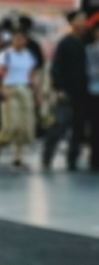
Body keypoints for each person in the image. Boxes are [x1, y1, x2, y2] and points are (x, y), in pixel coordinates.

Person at [42, 10, 88, 171]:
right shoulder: (64, 43)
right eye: (79, 20)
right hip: (67, 91)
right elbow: (56, 68)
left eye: (83, 20)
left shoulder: (85, 42)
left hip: (83, 91)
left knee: (78, 127)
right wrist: (59, 88)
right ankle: (47, 157)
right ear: (72, 22)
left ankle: (72, 160)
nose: (82, 23)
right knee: (60, 125)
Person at [0, 28, 38, 171]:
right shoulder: (5, 55)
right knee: (10, 125)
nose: (19, 41)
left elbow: (32, 75)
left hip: (25, 89)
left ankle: (18, 157)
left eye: (22, 39)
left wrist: (37, 94)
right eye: (17, 39)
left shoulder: (28, 55)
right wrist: (0, 90)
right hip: (9, 90)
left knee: (24, 126)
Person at [86, 15, 99, 171]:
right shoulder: (91, 49)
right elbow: (91, 71)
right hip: (95, 90)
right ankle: (94, 158)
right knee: (95, 127)